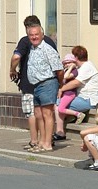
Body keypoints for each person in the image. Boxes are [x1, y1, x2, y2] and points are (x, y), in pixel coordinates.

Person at [9, 15, 57, 151]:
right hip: (46, 82)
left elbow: (16, 57)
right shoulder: (49, 41)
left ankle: (35, 140)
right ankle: (45, 140)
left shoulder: (25, 41)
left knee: (33, 113)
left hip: (30, 83)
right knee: (42, 113)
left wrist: (12, 70)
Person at [26, 24, 63, 153]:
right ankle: (41, 142)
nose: (34, 37)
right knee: (38, 114)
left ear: (42, 35)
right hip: (36, 85)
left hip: (48, 83)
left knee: (47, 114)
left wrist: (60, 85)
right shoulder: (33, 48)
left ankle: (48, 143)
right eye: (31, 35)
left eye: (36, 34)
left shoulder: (47, 49)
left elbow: (59, 69)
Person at [54, 46, 98, 139]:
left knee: (58, 105)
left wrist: (61, 89)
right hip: (82, 98)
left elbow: (76, 83)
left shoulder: (87, 67)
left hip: (89, 99)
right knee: (61, 102)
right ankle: (72, 117)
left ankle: (60, 132)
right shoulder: (81, 67)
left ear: (76, 57)